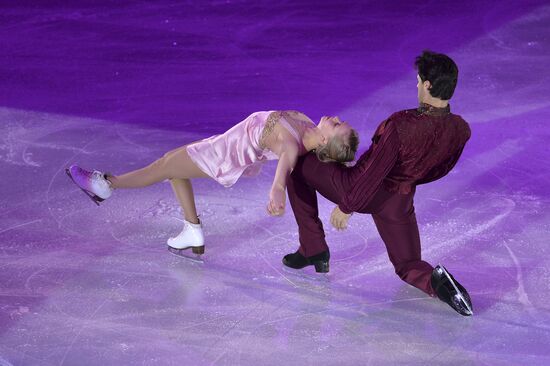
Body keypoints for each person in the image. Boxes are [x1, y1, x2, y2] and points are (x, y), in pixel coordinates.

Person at [281, 51, 474, 316]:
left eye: (419, 81)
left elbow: (373, 171)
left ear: (428, 85)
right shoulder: (460, 130)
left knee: (297, 162)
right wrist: (407, 179)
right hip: (400, 200)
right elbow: (439, 170)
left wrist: (346, 206)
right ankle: (440, 284)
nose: (417, 86)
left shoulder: (401, 124)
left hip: (356, 188)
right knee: (408, 263)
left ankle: (312, 246)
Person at [66, 110, 359, 255]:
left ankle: (106, 185)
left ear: (324, 141)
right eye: (339, 120)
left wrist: (277, 190)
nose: (334, 117)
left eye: (336, 125)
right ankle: (193, 230)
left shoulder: (292, 146)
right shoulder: (307, 125)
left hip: (221, 157)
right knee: (172, 165)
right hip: (221, 144)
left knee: (162, 167)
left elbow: (284, 167)